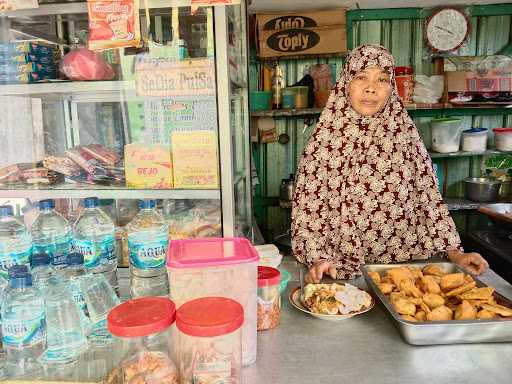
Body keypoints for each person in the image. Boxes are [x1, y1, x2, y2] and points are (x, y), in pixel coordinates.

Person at [291, 45, 488, 284]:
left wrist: (455, 253)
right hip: (338, 274)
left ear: (391, 87)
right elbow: (307, 211)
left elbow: (429, 200)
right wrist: (316, 258)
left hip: (401, 275)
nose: (371, 88)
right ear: (345, 83)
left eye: (382, 79)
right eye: (361, 76)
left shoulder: (406, 137)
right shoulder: (323, 141)